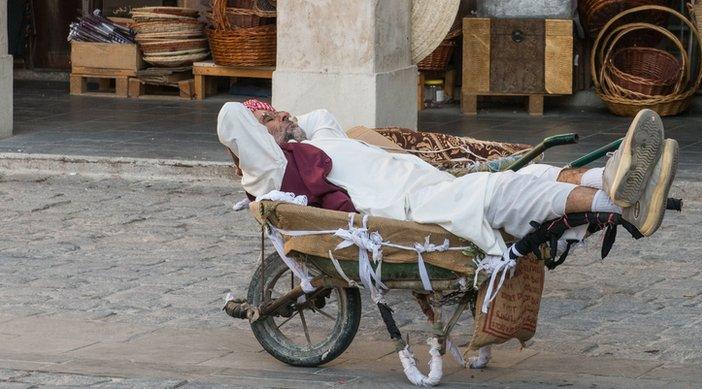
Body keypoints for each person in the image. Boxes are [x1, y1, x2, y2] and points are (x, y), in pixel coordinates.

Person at [217, 100, 678, 257]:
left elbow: (318, 115)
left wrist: (287, 122)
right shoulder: (274, 170)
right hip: (409, 209)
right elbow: (230, 115)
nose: (281, 117)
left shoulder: (319, 140)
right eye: (270, 119)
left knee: (528, 170)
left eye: (279, 113)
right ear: (257, 141)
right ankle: (620, 205)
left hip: (428, 182)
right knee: (505, 191)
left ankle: (609, 177)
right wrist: (269, 131)